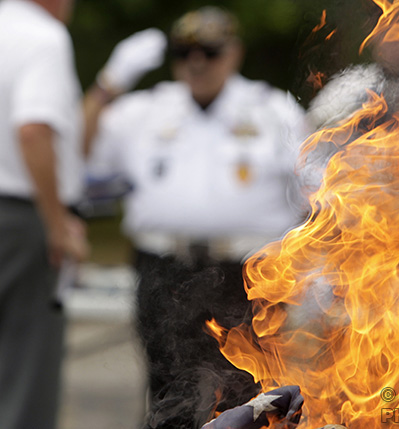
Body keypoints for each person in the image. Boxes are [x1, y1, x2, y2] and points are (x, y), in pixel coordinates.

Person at [85, 6, 309, 427]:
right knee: (170, 392)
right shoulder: (144, 110)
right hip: (165, 272)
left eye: (209, 50)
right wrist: (107, 85)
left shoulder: (271, 109)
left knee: (251, 393)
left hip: (246, 275)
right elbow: (76, 155)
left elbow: (315, 190)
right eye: (184, 50)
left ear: (233, 53)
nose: (197, 61)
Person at [0, 0, 88, 428]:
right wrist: (57, 225)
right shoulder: (41, 36)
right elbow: (33, 129)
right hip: (18, 218)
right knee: (26, 367)